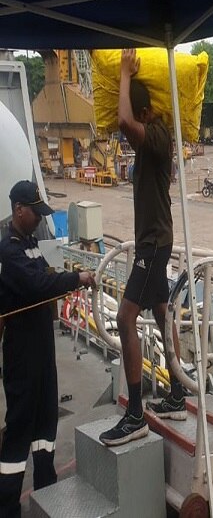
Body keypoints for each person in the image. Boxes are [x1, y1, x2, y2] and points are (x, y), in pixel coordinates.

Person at [99, 49, 186, 447]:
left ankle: (135, 415)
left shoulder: (157, 135)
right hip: (153, 241)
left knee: (125, 317)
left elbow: (122, 121)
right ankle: (179, 394)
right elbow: (124, 124)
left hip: (154, 243)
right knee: (163, 314)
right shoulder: (153, 137)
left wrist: (122, 74)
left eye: (140, 115)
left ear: (149, 112)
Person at [0, 180, 95, 517]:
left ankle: (47, 491)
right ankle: (8, 504)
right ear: (18, 210)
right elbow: (38, 284)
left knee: (45, 425)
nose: (39, 219)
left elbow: (45, 273)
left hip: (42, 352)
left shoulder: (30, 244)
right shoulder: (9, 251)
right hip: (21, 355)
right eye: (34, 213)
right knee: (20, 430)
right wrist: (75, 279)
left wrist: (63, 278)